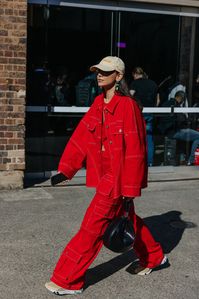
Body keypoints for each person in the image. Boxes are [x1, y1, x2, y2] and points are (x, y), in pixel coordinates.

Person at [45, 56, 167, 296]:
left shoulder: (127, 106)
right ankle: (155, 257)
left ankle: (68, 280)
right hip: (105, 177)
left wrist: (129, 191)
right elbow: (82, 136)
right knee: (129, 221)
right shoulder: (98, 104)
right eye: (98, 71)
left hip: (118, 180)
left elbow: (136, 151)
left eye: (106, 71)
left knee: (92, 227)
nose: (99, 74)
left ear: (118, 76)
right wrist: (67, 168)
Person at [158, 90, 199, 165]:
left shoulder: (166, 103)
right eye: (183, 100)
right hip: (174, 132)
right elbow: (181, 119)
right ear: (181, 98)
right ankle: (191, 160)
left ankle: (183, 157)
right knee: (198, 136)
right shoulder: (175, 105)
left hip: (167, 131)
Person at [129, 67, 158, 166]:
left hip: (138, 113)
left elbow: (130, 97)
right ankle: (149, 162)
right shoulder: (153, 84)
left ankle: (137, 161)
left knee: (136, 137)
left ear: (135, 74)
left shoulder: (134, 83)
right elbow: (158, 100)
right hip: (150, 113)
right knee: (149, 137)